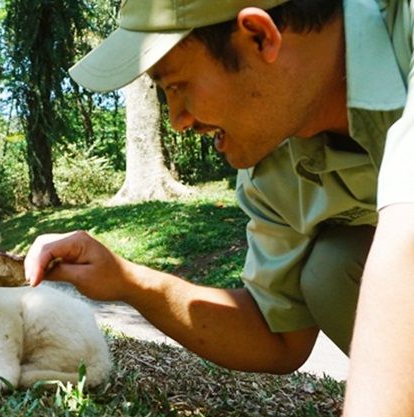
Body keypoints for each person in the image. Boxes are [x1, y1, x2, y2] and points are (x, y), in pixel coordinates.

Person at [22, 0, 414, 416]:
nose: (177, 120)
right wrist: (124, 280)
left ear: (260, 37)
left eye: (176, 85)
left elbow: (406, 239)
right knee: (331, 270)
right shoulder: (277, 163)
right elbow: (276, 335)